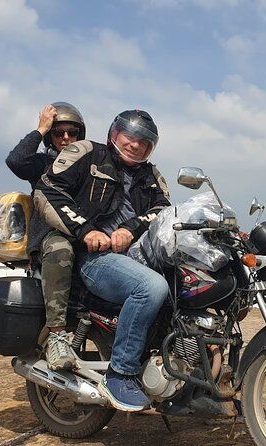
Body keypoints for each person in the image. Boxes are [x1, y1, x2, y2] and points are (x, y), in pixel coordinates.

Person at [34, 109, 171, 412]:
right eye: (130, 136)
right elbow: (48, 191)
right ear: (114, 133)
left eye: (144, 141)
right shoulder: (86, 153)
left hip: (133, 257)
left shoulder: (152, 176)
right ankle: (121, 373)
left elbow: (164, 211)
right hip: (93, 258)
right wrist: (86, 230)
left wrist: (131, 228)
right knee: (151, 287)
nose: (136, 144)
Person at [6, 102, 86, 371]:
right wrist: (40, 129)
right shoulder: (43, 163)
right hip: (51, 239)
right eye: (58, 132)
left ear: (80, 135)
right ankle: (56, 335)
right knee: (61, 249)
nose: (65, 138)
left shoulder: (88, 165)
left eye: (72, 133)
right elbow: (16, 160)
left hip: (83, 236)